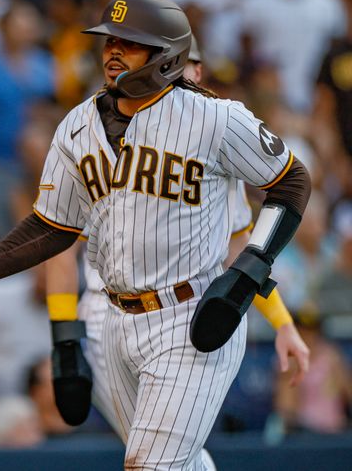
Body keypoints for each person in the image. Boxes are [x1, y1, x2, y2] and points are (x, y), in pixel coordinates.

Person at [0, 0, 311, 470]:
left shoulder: (216, 119)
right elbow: (50, 230)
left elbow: (291, 182)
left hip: (191, 317)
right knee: (177, 464)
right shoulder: (77, 126)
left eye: (129, 44)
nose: (112, 51)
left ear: (166, 56)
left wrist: (255, 278)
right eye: (109, 40)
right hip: (112, 320)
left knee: (150, 466)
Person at [43, 35, 310, 454]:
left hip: (184, 314)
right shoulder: (103, 135)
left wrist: (281, 320)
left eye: (194, 68)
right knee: (160, 457)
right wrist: (65, 334)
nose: (189, 76)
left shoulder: (215, 150)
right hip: (104, 315)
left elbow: (239, 246)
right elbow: (59, 244)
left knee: (158, 458)